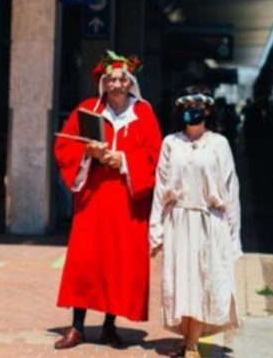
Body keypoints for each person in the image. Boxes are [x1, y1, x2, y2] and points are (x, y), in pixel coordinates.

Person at [52, 50, 163, 350]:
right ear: (103, 82)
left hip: (128, 202)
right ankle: (76, 327)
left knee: (118, 261)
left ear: (130, 83)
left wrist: (123, 159)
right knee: (85, 261)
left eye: (122, 79)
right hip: (93, 199)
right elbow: (64, 145)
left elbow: (156, 156)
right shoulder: (88, 110)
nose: (116, 85)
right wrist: (88, 153)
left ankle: (109, 326)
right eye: (111, 79)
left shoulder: (144, 115)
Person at [149, 86, 243, 358]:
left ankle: (191, 343)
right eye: (187, 106)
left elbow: (230, 190)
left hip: (209, 222)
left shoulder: (219, 144)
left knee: (203, 280)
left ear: (208, 110)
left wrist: (233, 234)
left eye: (199, 106)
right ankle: (186, 339)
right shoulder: (171, 143)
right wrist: (156, 229)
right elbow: (160, 189)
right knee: (182, 281)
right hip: (178, 221)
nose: (193, 111)